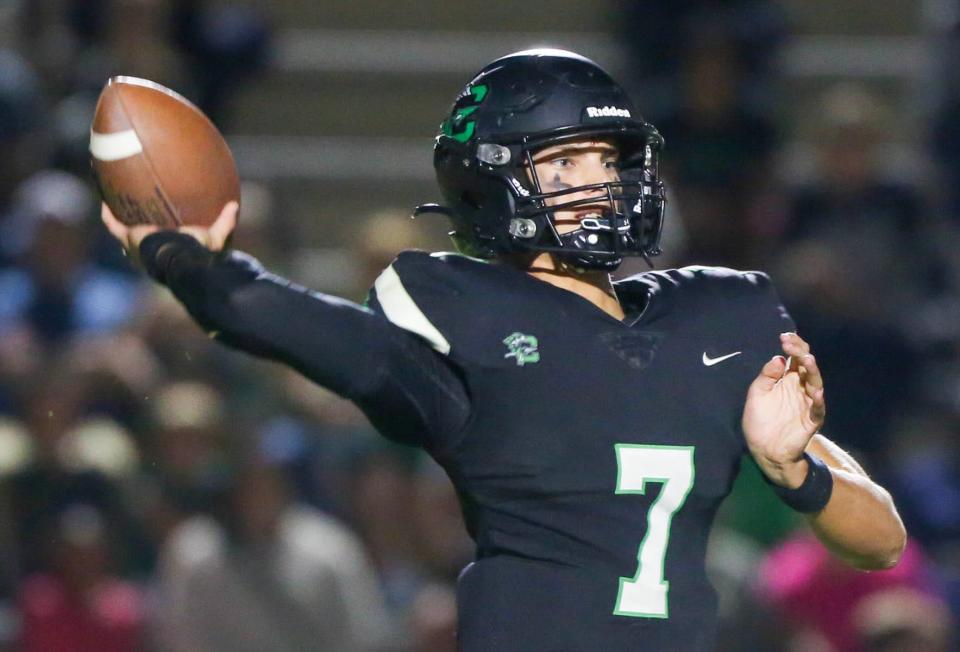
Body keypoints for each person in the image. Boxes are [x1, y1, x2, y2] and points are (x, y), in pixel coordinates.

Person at [100, 49, 906, 651]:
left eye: (610, 159)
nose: (603, 182)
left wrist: (792, 468)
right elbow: (325, 338)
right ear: (493, 182)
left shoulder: (715, 322)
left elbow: (882, 541)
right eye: (565, 161)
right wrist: (190, 264)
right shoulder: (465, 322)